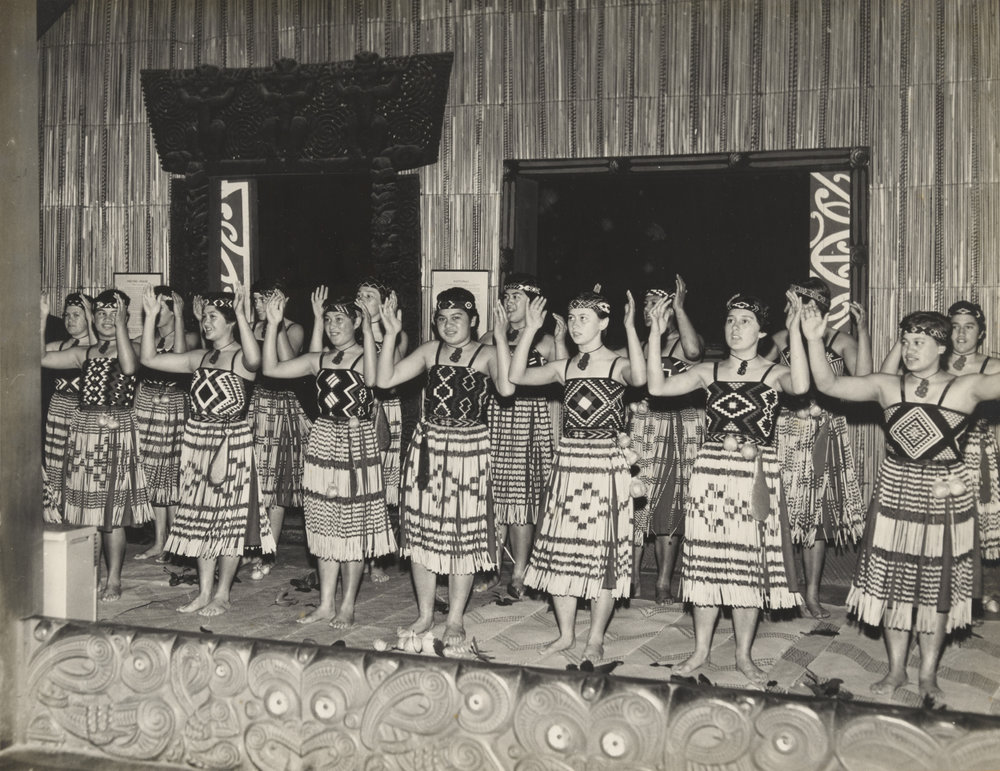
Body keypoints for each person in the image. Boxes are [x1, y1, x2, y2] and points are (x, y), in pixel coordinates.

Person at [803, 304, 1000, 699]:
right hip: (895, 491)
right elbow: (828, 385)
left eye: (919, 342)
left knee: (936, 588)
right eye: (906, 341)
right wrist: (812, 338)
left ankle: (928, 673)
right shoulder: (886, 386)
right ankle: (895, 671)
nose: (910, 350)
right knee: (894, 586)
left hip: (945, 497)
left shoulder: (968, 387)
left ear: (941, 347)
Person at [645, 293, 809, 683]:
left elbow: (801, 385)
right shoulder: (708, 371)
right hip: (712, 472)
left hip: (755, 475)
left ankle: (743, 654)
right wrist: (654, 333)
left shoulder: (774, 373)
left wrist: (799, 331)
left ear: (762, 330)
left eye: (745, 321)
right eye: (730, 320)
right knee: (704, 564)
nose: (735, 327)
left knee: (746, 567)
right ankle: (700, 650)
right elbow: (657, 387)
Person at [500, 289, 646, 661]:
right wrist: (531, 330)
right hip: (568, 462)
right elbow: (515, 376)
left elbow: (642, 377)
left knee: (603, 552)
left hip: (605, 466)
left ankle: (595, 637)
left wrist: (632, 328)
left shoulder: (617, 364)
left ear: (603, 323)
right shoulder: (564, 367)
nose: (577, 324)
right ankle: (566, 634)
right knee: (562, 551)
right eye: (573, 317)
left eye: (585, 317)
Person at [377, 287, 512, 645]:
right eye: (442, 318)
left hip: (469, 452)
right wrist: (390, 335)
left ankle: (455, 618)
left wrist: (500, 340)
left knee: (462, 536)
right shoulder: (428, 351)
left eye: (457, 318)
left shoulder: (486, 355)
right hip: (428, 450)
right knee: (421, 532)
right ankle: (424, 615)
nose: (448, 325)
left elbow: (507, 389)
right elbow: (384, 379)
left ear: (473, 321)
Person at [141, 284, 275, 616]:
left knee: (227, 521)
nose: (206, 323)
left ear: (230, 322)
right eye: (205, 318)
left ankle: (223, 594)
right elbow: (148, 358)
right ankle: (203, 592)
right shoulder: (198, 358)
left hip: (231, 444)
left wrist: (243, 316)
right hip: (197, 442)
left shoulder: (242, 359)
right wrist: (150, 317)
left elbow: (257, 358)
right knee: (201, 520)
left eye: (213, 317)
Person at [263, 290, 396, 627]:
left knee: (351, 527)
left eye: (341, 319)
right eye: (328, 319)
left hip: (358, 442)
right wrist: (274, 324)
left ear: (356, 322)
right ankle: (325, 603)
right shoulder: (318, 360)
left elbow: (372, 380)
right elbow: (271, 368)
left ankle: (347, 604)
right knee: (323, 524)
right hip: (323, 441)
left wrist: (369, 327)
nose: (333, 325)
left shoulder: (371, 353)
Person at [882, 300, 1000, 616]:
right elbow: (885, 380)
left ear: (981, 332)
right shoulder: (928, 360)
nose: (962, 333)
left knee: (974, 527)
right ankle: (926, 596)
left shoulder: (991, 366)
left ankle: (972, 595)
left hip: (973, 451)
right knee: (927, 531)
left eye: (970, 326)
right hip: (926, 457)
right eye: (956, 325)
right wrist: (906, 335)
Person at [41, 289, 153, 602]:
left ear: (124, 318)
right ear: (94, 317)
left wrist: (120, 326)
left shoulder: (131, 346)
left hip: (116, 434)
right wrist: (40, 319)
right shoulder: (86, 353)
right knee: (82, 509)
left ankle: (114, 579)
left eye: (113, 313)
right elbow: (42, 358)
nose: (106, 319)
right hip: (85, 434)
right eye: (101, 313)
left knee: (110, 514)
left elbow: (129, 368)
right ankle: (86, 573)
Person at [769, 279, 870, 618]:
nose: (790, 310)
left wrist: (863, 330)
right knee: (780, 513)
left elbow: (864, 377)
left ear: (816, 308)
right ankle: (786, 588)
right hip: (783, 432)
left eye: (796, 304)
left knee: (817, 517)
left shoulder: (841, 341)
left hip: (825, 433)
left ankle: (811, 592)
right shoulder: (780, 340)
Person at [480, 273, 565, 598]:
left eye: (516, 296)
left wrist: (559, 341)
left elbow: (561, 377)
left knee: (521, 500)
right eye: (506, 296)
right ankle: (490, 567)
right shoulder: (490, 336)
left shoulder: (544, 340)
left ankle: (520, 570)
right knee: (492, 497)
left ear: (532, 302)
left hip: (529, 421)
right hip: (494, 419)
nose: (509, 301)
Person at [628, 276, 704, 604]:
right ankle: (630, 580)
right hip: (645, 426)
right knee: (636, 501)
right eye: (644, 304)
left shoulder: (681, 340)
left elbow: (694, 351)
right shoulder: (646, 344)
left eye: (651, 303)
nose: (646, 309)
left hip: (679, 429)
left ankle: (662, 582)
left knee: (670, 508)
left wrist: (679, 308)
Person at [247, 278, 310, 578]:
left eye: (263, 300)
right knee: (256, 480)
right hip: (257, 406)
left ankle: (269, 551)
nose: (258, 305)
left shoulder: (294, 328)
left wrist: (278, 321)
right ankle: (254, 545)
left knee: (279, 482)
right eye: (256, 300)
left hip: (284, 407)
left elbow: (288, 360)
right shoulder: (250, 327)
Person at [133, 286, 199, 561]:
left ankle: (174, 541)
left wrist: (182, 317)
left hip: (174, 407)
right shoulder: (145, 338)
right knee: (153, 475)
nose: (157, 312)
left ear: (174, 311)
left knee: (170, 475)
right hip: (147, 405)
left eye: (162, 308)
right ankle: (159, 540)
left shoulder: (190, 337)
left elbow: (181, 357)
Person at [354, 277, 409, 583]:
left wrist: (389, 332)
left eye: (370, 295)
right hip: (354, 415)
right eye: (359, 294)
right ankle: (357, 554)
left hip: (384, 412)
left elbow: (397, 373)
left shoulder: (395, 334)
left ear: (384, 303)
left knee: (380, 491)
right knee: (358, 487)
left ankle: (377, 559)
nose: (362, 299)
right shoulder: (347, 330)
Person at [42, 291, 95, 521]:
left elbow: (98, 354)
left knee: (79, 470)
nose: (70, 320)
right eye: (66, 315)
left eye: (77, 314)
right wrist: (42, 318)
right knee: (55, 468)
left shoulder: (96, 347)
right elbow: (36, 354)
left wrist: (93, 321)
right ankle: (58, 518)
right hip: (57, 413)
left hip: (81, 415)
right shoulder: (60, 345)